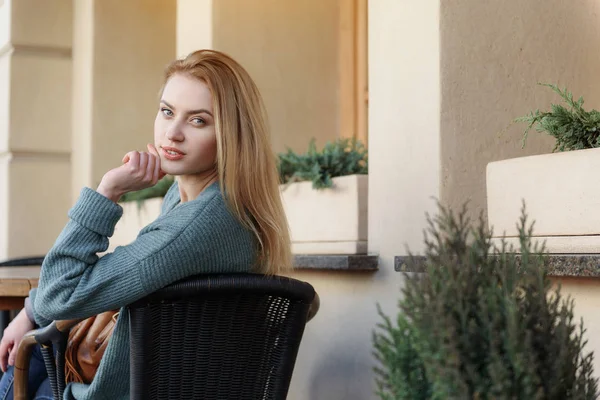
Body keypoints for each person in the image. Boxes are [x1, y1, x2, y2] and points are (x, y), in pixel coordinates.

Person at [0, 49, 292, 399]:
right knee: (27, 359)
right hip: (156, 381)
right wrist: (29, 313)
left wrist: (109, 190)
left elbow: (57, 296)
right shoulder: (208, 202)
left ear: (232, 134)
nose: (173, 133)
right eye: (168, 112)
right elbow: (115, 275)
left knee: (21, 367)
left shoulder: (202, 223)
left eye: (198, 120)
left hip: (130, 391)